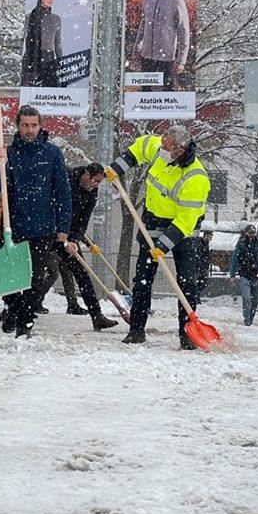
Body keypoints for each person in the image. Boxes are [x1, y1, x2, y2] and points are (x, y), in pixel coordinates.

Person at [107, 124, 211, 349]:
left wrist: (163, 245)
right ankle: (136, 330)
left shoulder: (196, 178)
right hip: (153, 219)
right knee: (143, 279)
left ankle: (187, 335)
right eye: (162, 142)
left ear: (180, 150)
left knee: (186, 283)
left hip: (183, 229)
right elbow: (139, 148)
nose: (161, 147)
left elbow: (186, 220)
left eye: (167, 146)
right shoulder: (158, 148)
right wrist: (118, 167)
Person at [0, 105, 71, 339]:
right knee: (11, 278)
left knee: (35, 278)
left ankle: (25, 319)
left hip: (42, 227)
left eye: (34, 125)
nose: (29, 130)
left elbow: (63, 191)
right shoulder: (8, 153)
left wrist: (63, 227)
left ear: (40, 126)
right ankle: (12, 308)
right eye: (25, 125)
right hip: (13, 226)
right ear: (18, 126)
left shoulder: (51, 154)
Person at [38, 163, 118, 330]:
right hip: (47, 231)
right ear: (86, 174)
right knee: (36, 270)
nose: (95, 185)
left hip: (68, 236)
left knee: (81, 272)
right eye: (95, 180)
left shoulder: (92, 193)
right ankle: (18, 309)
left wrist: (73, 239)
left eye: (99, 183)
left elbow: (83, 220)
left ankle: (97, 315)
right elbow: (50, 203)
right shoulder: (65, 179)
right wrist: (57, 229)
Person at [131, 0, 190, 92]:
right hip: (146, 58)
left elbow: (184, 32)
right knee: (146, 94)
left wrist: (181, 60)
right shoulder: (148, 0)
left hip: (166, 59)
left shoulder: (177, 1)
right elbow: (142, 26)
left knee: (166, 97)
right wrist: (136, 50)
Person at [21, 0, 63, 88]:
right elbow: (22, 40)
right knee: (31, 91)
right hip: (31, 58)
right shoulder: (29, 17)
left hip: (49, 59)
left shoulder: (56, 19)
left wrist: (61, 63)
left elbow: (57, 43)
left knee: (50, 91)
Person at [229, 225, 258, 327]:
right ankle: (247, 320)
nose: (252, 235)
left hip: (256, 275)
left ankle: (250, 319)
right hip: (244, 275)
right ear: (246, 233)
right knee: (246, 298)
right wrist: (232, 275)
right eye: (250, 233)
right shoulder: (241, 244)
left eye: (253, 233)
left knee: (255, 301)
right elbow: (235, 259)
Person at [196, 230, 213, 303]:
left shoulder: (206, 244)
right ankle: (196, 297)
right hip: (198, 267)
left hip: (203, 267)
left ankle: (197, 296)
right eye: (209, 236)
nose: (210, 238)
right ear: (205, 236)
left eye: (211, 237)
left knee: (203, 283)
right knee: (199, 282)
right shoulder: (200, 243)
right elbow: (199, 255)